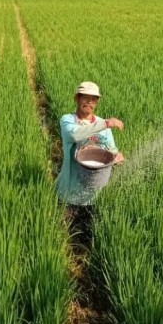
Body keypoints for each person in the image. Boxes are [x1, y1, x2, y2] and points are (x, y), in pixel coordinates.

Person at [56, 81, 125, 249]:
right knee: (65, 241)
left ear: (97, 102)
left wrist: (116, 156)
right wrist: (106, 123)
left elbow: (111, 148)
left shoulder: (103, 125)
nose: (89, 102)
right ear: (76, 99)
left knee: (87, 240)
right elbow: (75, 135)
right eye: (85, 98)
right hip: (69, 193)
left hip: (93, 195)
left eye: (93, 99)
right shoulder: (68, 120)